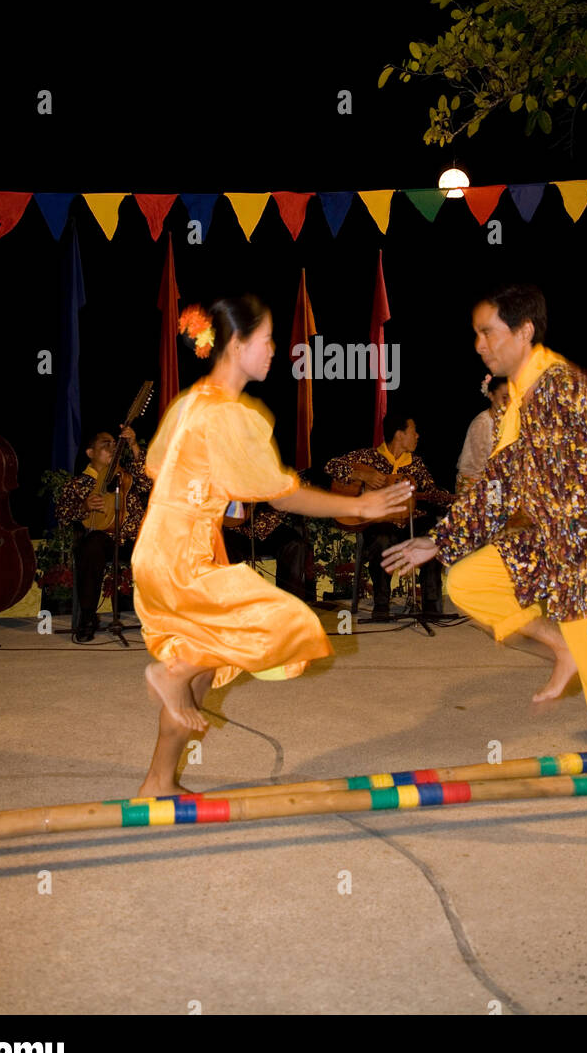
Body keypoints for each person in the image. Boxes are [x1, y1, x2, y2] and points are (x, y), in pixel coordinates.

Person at [382, 285, 587, 859]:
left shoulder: (561, 385)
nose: (479, 344)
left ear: (524, 332)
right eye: (477, 333)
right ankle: (560, 651)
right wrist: (438, 542)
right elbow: (495, 487)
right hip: (547, 546)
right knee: (468, 583)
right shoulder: (517, 397)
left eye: (488, 331)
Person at [132, 296, 413, 797]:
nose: (273, 350)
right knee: (288, 623)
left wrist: (219, 495)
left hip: (161, 543)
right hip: (185, 551)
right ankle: (168, 671)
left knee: (202, 674)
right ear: (237, 345)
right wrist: (365, 508)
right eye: (265, 340)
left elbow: (161, 469)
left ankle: (157, 780)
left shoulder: (191, 402)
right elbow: (283, 491)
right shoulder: (230, 414)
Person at [325, 409, 453, 620]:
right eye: (414, 431)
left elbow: (431, 492)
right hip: (380, 524)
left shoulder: (416, 464)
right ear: (399, 434)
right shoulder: (368, 457)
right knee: (383, 537)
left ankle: (431, 603)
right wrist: (362, 475)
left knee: (431, 533)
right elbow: (331, 466)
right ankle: (381, 604)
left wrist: (445, 498)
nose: (417, 435)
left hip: (410, 522)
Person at [56, 425, 151, 643]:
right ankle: (88, 617)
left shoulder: (127, 477)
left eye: (113, 443)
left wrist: (134, 445)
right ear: (90, 453)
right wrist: (83, 508)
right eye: (104, 444)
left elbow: (147, 482)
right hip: (104, 542)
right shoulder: (79, 484)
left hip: (134, 539)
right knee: (91, 545)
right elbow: (62, 515)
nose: (111, 446)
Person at [455, 376, 508, 495]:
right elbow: (476, 468)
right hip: (477, 486)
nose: (508, 402)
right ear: (491, 395)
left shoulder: (509, 420)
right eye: (504, 397)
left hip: (496, 484)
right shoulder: (482, 423)